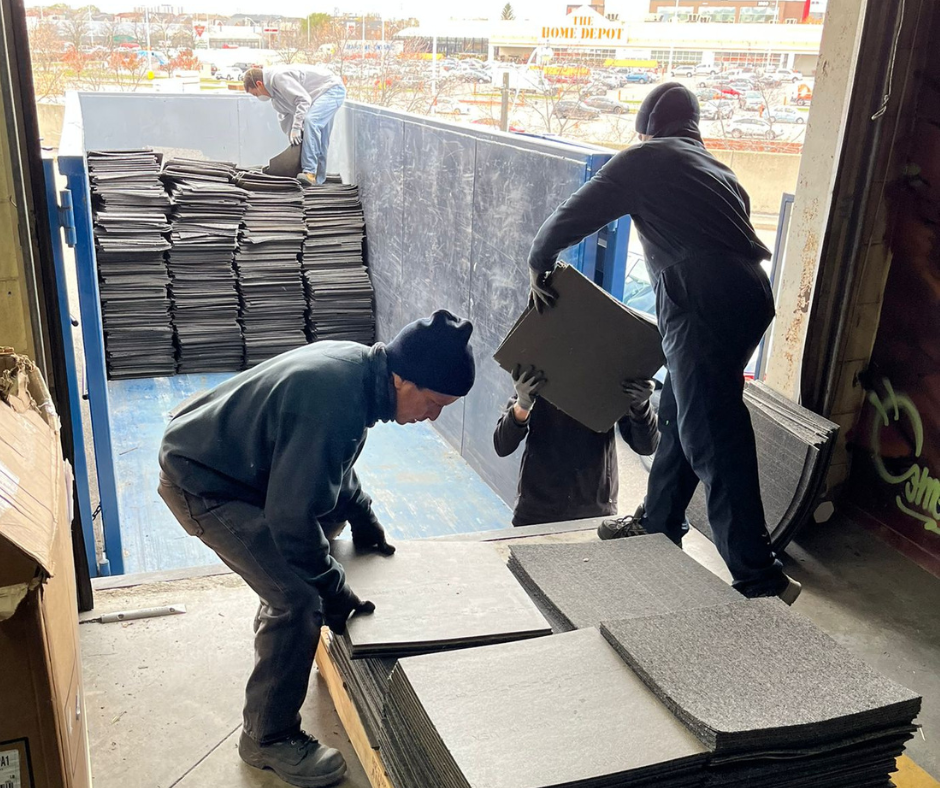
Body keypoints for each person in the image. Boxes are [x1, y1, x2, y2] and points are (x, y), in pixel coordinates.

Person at [157, 310, 475, 787]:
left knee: (325, 527)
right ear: (402, 379)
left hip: (237, 460)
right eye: (434, 402)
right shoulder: (335, 400)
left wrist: (363, 517)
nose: (434, 415)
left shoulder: (359, 370)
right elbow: (290, 519)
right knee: (300, 598)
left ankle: (280, 620)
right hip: (204, 481)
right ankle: (267, 737)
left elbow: (332, 464)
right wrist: (332, 588)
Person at [526, 82, 800, 605]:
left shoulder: (645, 158)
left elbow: (572, 215)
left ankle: (760, 576)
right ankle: (658, 522)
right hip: (750, 295)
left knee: (708, 431)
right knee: (682, 411)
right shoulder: (720, 171)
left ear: (646, 126)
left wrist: (540, 260)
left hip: (698, 295)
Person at [494, 364, 658, 526]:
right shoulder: (542, 367)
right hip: (539, 505)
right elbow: (502, 445)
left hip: (594, 504)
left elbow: (646, 446)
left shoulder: (612, 372)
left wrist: (641, 407)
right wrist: (522, 405)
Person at [244, 65, 346, 186]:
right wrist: (294, 143)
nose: (258, 97)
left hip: (332, 90)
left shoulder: (278, 77)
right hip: (318, 97)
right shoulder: (277, 101)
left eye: (256, 94)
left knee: (311, 121)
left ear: (259, 84)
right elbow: (287, 120)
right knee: (320, 139)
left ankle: (309, 172)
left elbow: (303, 100)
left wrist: (296, 127)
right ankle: (319, 181)